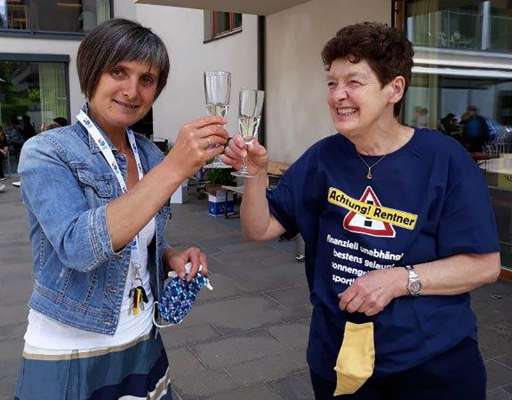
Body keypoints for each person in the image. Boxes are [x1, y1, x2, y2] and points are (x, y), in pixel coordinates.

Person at [224, 22, 501, 400]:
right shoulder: (324, 157)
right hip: (339, 358)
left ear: (395, 89)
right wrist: (254, 176)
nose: (339, 95)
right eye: (331, 83)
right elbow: (259, 229)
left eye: (353, 82)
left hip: (430, 364)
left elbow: (484, 265)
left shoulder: (444, 160)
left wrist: (399, 279)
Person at [14, 18, 228, 399]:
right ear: (92, 71)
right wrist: (176, 167)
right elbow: (79, 247)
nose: (132, 91)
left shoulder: (147, 152)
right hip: (71, 346)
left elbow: (140, 238)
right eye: (118, 71)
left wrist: (170, 256)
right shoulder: (47, 151)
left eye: (147, 79)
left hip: (142, 336)